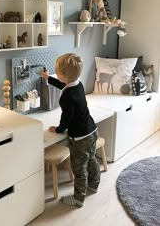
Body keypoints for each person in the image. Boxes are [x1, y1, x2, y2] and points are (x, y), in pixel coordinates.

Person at [39, 53, 100, 207]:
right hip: (91, 130)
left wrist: (59, 129)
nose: (55, 73)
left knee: (79, 169)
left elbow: (66, 118)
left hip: (80, 137)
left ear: (62, 74)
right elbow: (64, 85)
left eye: (56, 71)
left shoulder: (66, 97)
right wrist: (49, 78)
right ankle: (94, 184)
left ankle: (78, 199)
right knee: (92, 159)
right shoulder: (78, 84)